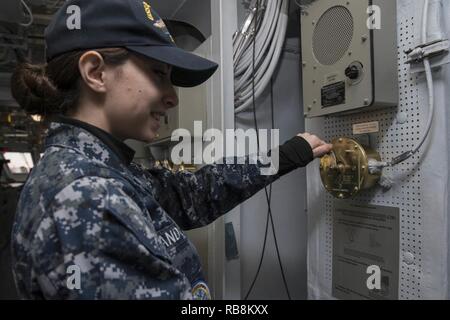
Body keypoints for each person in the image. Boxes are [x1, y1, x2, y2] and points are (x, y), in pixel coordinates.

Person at [10, 0, 332, 300]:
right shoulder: (89, 197)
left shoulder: (102, 170)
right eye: (158, 74)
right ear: (96, 72)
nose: (172, 97)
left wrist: (289, 154)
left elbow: (198, 191)